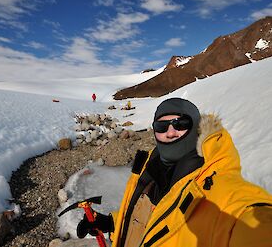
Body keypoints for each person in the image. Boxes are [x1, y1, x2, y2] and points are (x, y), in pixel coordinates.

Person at [77, 97, 272, 247]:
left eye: (181, 124)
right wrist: (110, 223)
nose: (170, 132)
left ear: (195, 127)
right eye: (162, 126)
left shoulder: (215, 184)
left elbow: (246, 215)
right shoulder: (151, 166)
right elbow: (152, 219)